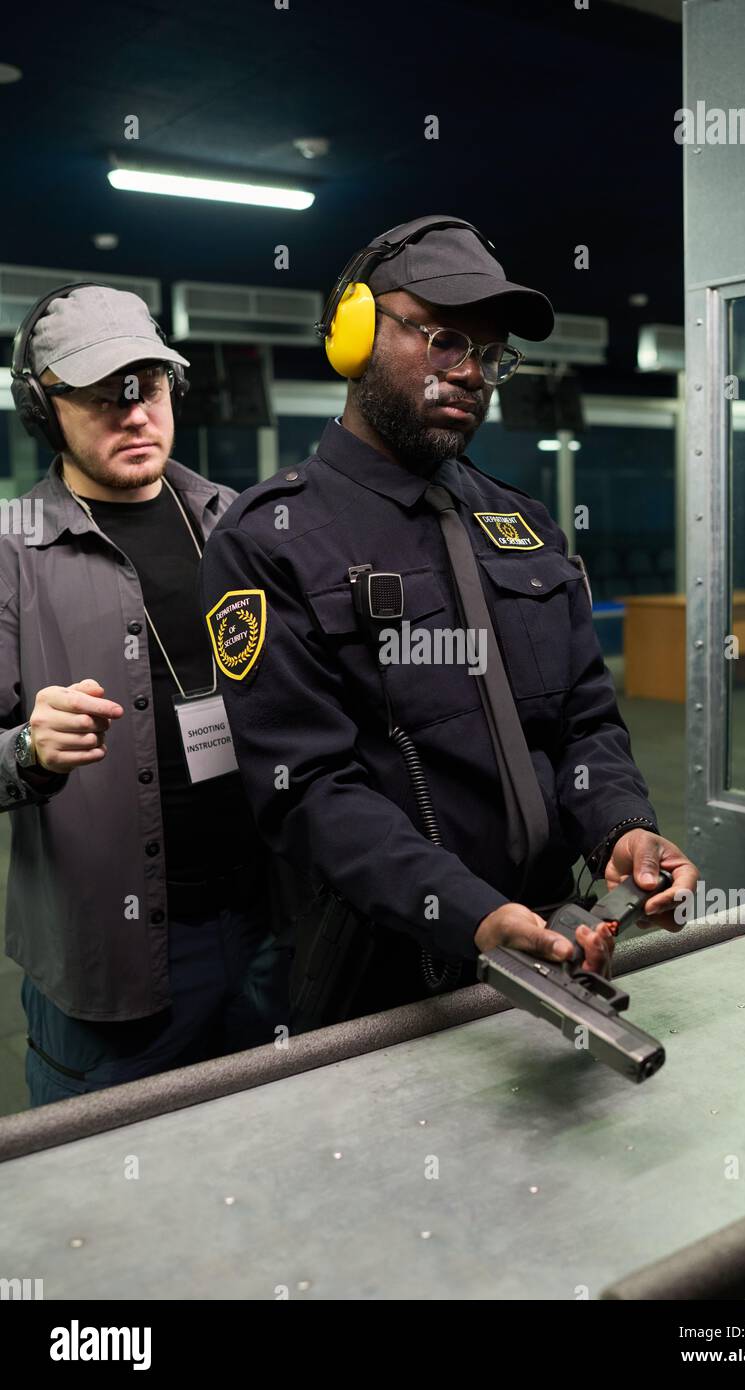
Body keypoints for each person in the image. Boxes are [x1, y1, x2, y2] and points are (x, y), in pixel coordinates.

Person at [199, 215, 699, 1026]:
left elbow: (585, 722)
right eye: (442, 341)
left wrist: (621, 828)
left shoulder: (524, 522)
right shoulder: (267, 542)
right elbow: (309, 789)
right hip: (379, 965)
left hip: (554, 937)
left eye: (489, 353)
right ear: (356, 335)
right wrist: (469, 914)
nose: (472, 373)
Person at [2, 284, 289, 1106]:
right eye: (101, 397)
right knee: (106, 1207)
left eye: (148, 388)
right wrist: (27, 748)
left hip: (269, 928)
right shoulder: (10, 552)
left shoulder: (236, 524)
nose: (133, 415)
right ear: (42, 408)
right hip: (114, 961)